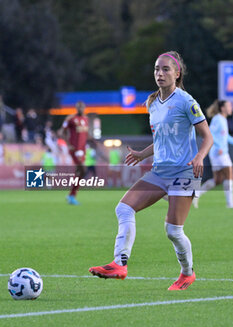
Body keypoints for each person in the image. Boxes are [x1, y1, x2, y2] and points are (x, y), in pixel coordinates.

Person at [89, 51, 213, 290]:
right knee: (124, 208)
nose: (160, 73)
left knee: (173, 231)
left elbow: (207, 137)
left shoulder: (186, 101)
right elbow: (163, 139)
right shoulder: (153, 102)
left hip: (184, 173)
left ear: (177, 74)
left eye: (166, 69)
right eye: (157, 69)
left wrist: (199, 156)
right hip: (160, 171)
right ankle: (119, 263)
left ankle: (187, 273)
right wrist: (141, 154)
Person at [193, 100, 233, 208]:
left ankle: (197, 194)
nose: (231, 107)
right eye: (229, 105)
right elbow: (209, 134)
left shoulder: (223, 119)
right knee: (230, 174)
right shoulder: (218, 119)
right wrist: (219, 147)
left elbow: (225, 137)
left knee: (218, 180)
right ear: (222, 108)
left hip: (219, 153)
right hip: (219, 153)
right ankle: (230, 204)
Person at [60, 101, 89, 205]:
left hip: (83, 150)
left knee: (80, 172)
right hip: (74, 149)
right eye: (79, 107)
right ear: (76, 108)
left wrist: (92, 141)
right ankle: (71, 195)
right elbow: (62, 132)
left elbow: (85, 134)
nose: (81, 109)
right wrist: (68, 144)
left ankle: (71, 195)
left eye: (82, 107)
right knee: (83, 170)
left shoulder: (86, 119)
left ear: (84, 108)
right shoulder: (70, 119)